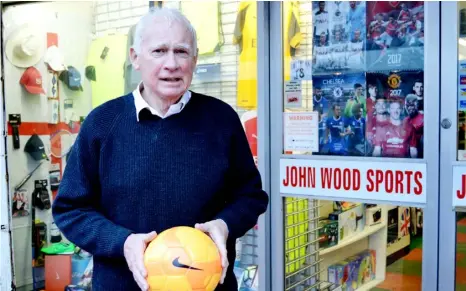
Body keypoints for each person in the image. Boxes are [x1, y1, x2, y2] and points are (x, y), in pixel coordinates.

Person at [52, 7, 269, 291]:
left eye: (181, 51)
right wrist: (123, 242)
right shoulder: (102, 124)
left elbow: (251, 196)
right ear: (135, 57)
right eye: (159, 51)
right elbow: (71, 209)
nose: (172, 64)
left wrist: (225, 225)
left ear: (194, 57)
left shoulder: (222, 119)